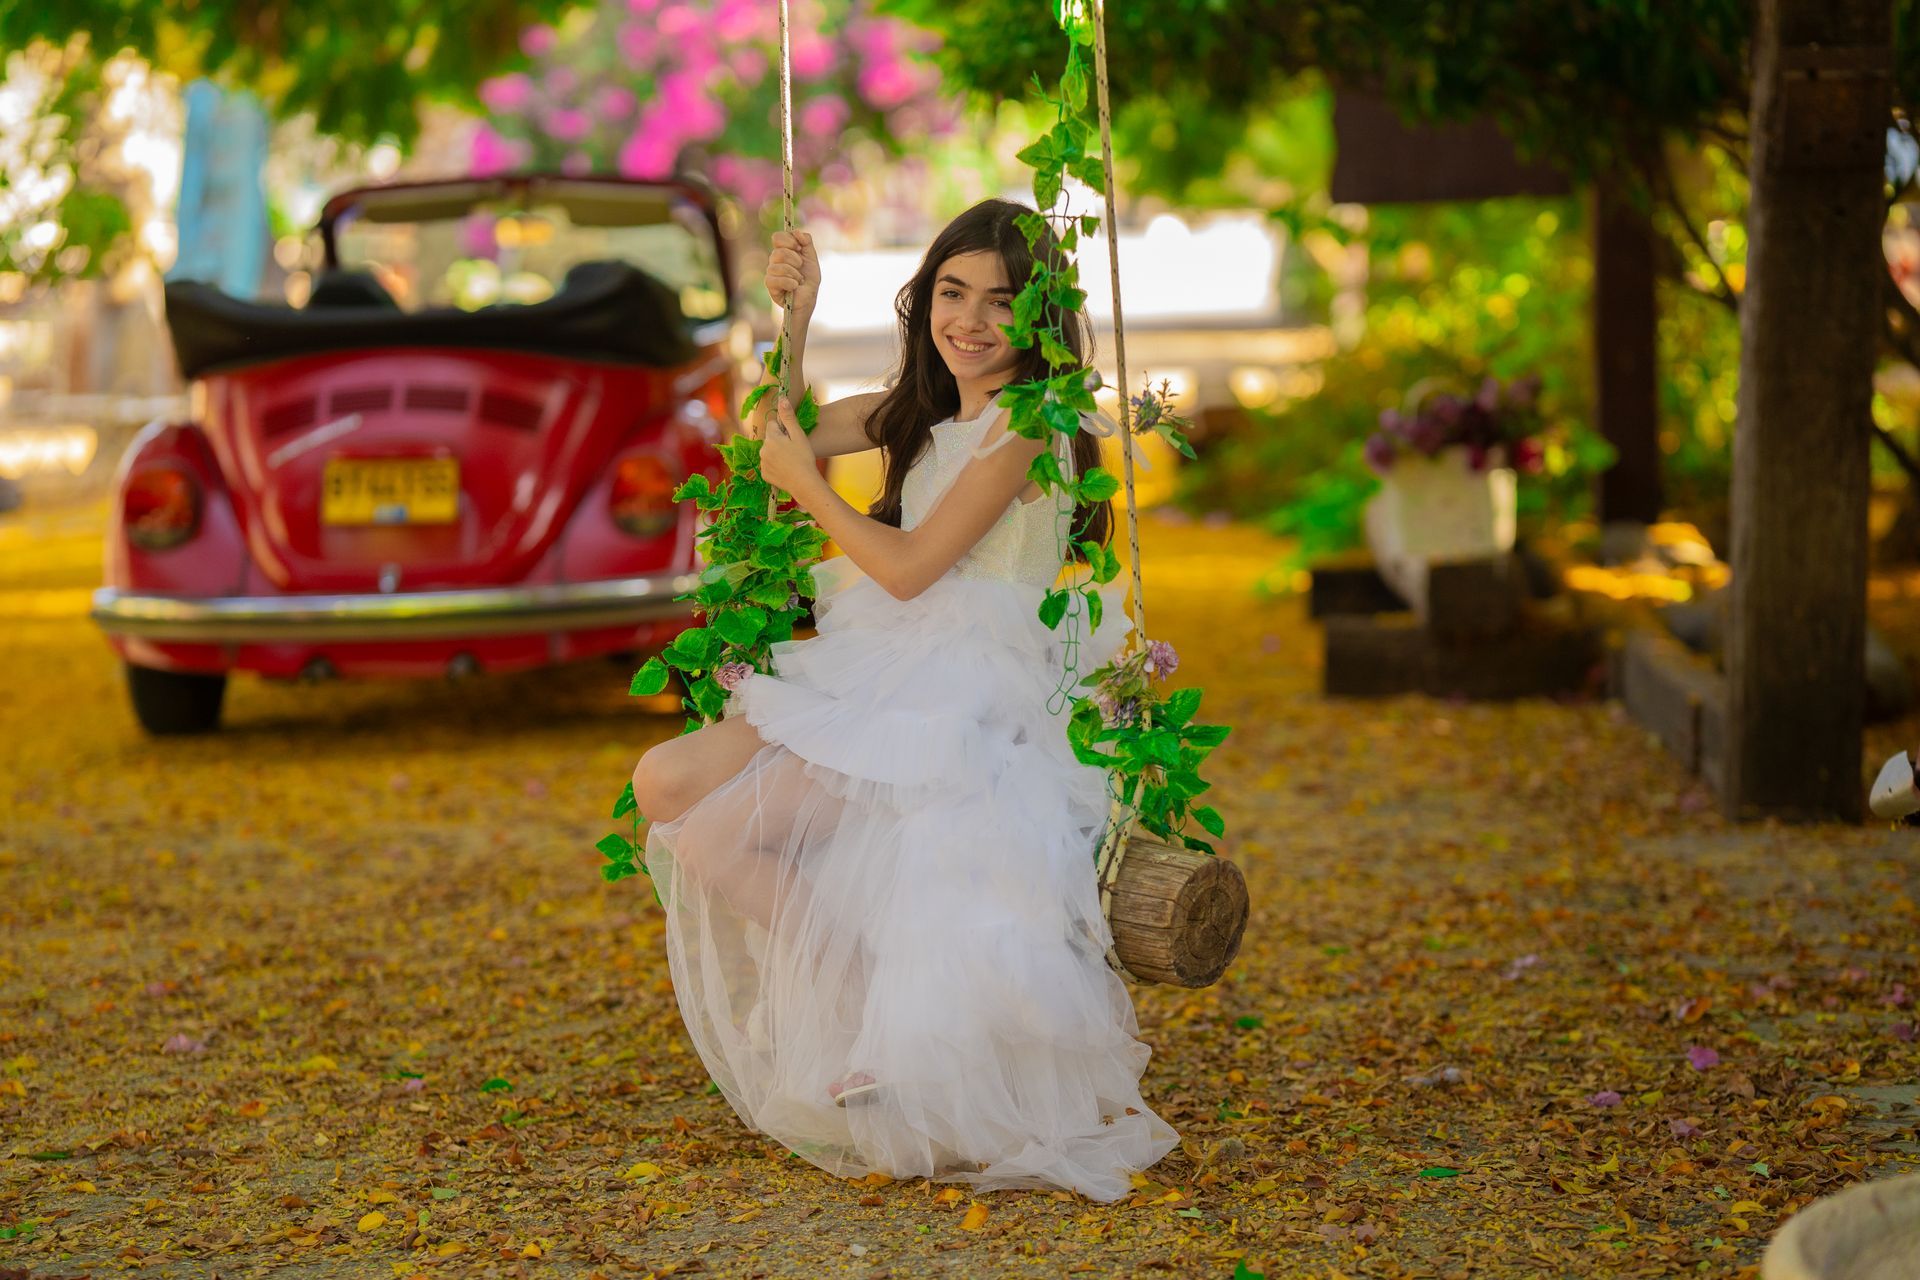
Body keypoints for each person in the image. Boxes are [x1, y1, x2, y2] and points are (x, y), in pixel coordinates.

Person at [629, 198, 1178, 1202]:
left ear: (1039, 316)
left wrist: (811, 489)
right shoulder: (926, 408)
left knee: (717, 832)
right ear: (924, 299)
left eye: (1001, 302)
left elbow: (914, 567)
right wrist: (798, 316)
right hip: (889, 663)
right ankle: (864, 992)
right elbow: (775, 431)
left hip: (963, 694)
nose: (970, 319)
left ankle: (876, 1011)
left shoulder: (1028, 421)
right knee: (668, 783)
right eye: (952, 292)